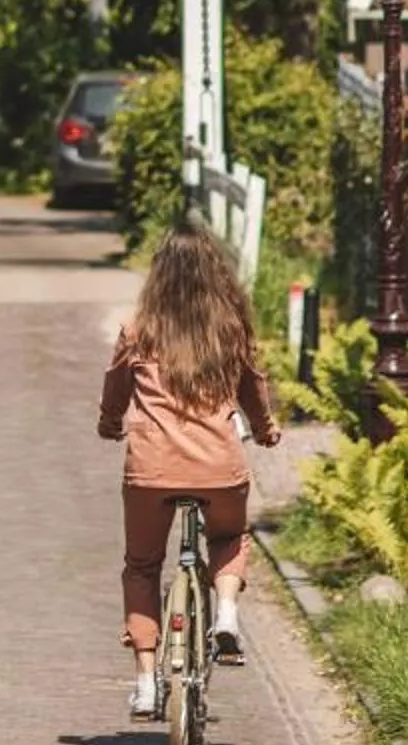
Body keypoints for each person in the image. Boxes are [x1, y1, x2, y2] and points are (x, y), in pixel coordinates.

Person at [97, 224, 281, 717]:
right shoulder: (230, 329)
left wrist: (109, 423)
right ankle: (224, 612)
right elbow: (253, 389)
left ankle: (145, 684)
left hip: (151, 470)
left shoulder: (139, 331)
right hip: (218, 467)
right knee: (229, 538)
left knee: (141, 565)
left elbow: (115, 388)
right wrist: (264, 430)